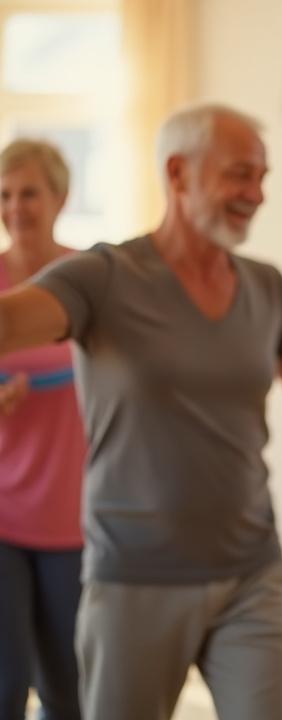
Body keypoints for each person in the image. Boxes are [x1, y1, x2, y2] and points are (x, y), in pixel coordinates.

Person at [0, 103, 282, 720]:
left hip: (251, 574)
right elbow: (9, 323)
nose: (256, 194)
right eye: (240, 174)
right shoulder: (102, 276)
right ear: (178, 174)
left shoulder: (266, 286)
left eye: (262, 177)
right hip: (132, 579)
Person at [0, 139, 85, 720]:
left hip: (76, 519)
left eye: (29, 192)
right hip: (1, 514)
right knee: (5, 685)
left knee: (68, 690)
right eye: (5, 194)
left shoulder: (88, 280)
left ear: (59, 197)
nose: (15, 206)